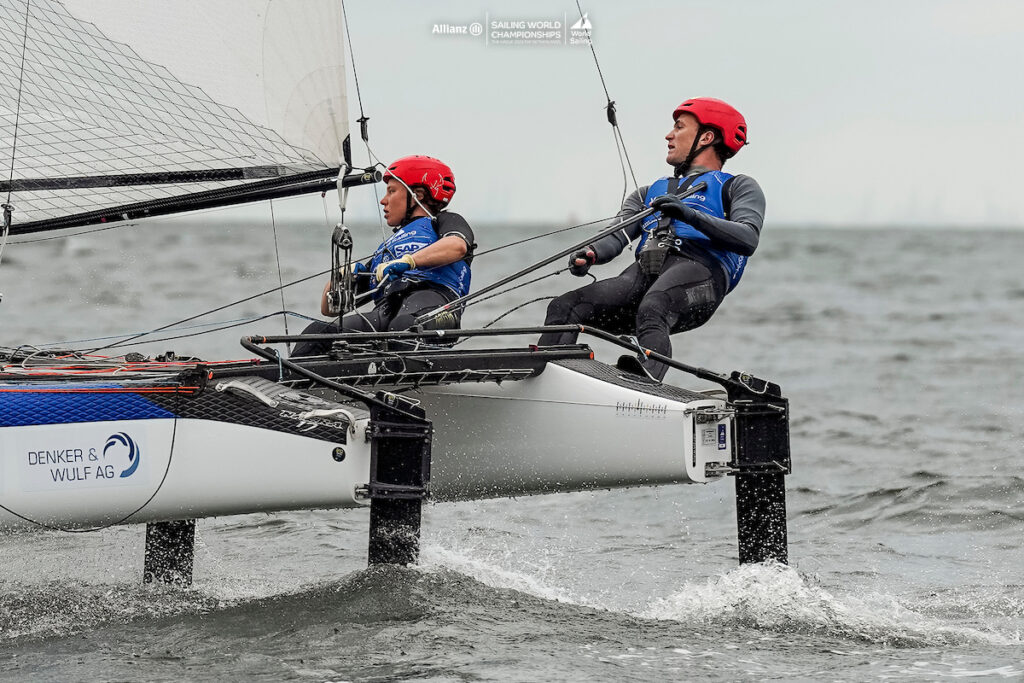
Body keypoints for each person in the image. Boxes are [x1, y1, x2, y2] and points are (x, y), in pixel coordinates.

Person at [538, 97, 765, 380]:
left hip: (701, 277)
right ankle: (544, 375)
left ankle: (646, 383)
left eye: (679, 128)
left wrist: (689, 215)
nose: (669, 136)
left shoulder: (738, 186)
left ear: (706, 137)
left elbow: (748, 238)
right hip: (644, 273)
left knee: (654, 306)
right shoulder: (648, 194)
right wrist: (591, 253)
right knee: (564, 306)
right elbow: (616, 235)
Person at [291, 155, 475, 357]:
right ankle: (287, 380)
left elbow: (457, 246)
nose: (383, 200)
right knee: (319, 333)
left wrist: (409, 261)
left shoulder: (444, 221)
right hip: (386, 314)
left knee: (403, 326)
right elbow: (330, 309)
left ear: (418, 195)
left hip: (437, 310)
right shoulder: (387, 249)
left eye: (392, 191)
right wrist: (341, 278)